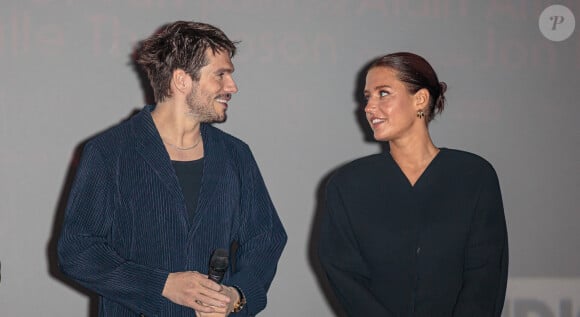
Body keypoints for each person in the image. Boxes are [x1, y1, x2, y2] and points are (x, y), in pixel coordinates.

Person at [58, 21, 287, 316]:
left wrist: (236, 295)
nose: (232, 86)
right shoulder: (110, 152)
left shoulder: (235, 155)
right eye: (221, 74)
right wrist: (162, 285)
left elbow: (265, 237)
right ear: (181, 80)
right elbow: (78, 250)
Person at [318, 52, 508, 316]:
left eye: (383, 93)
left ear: (420, 99)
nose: (369, 107)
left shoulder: (474, 176)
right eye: (367, 97)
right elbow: (344, 274)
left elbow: (485, 273)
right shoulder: (348, 185)